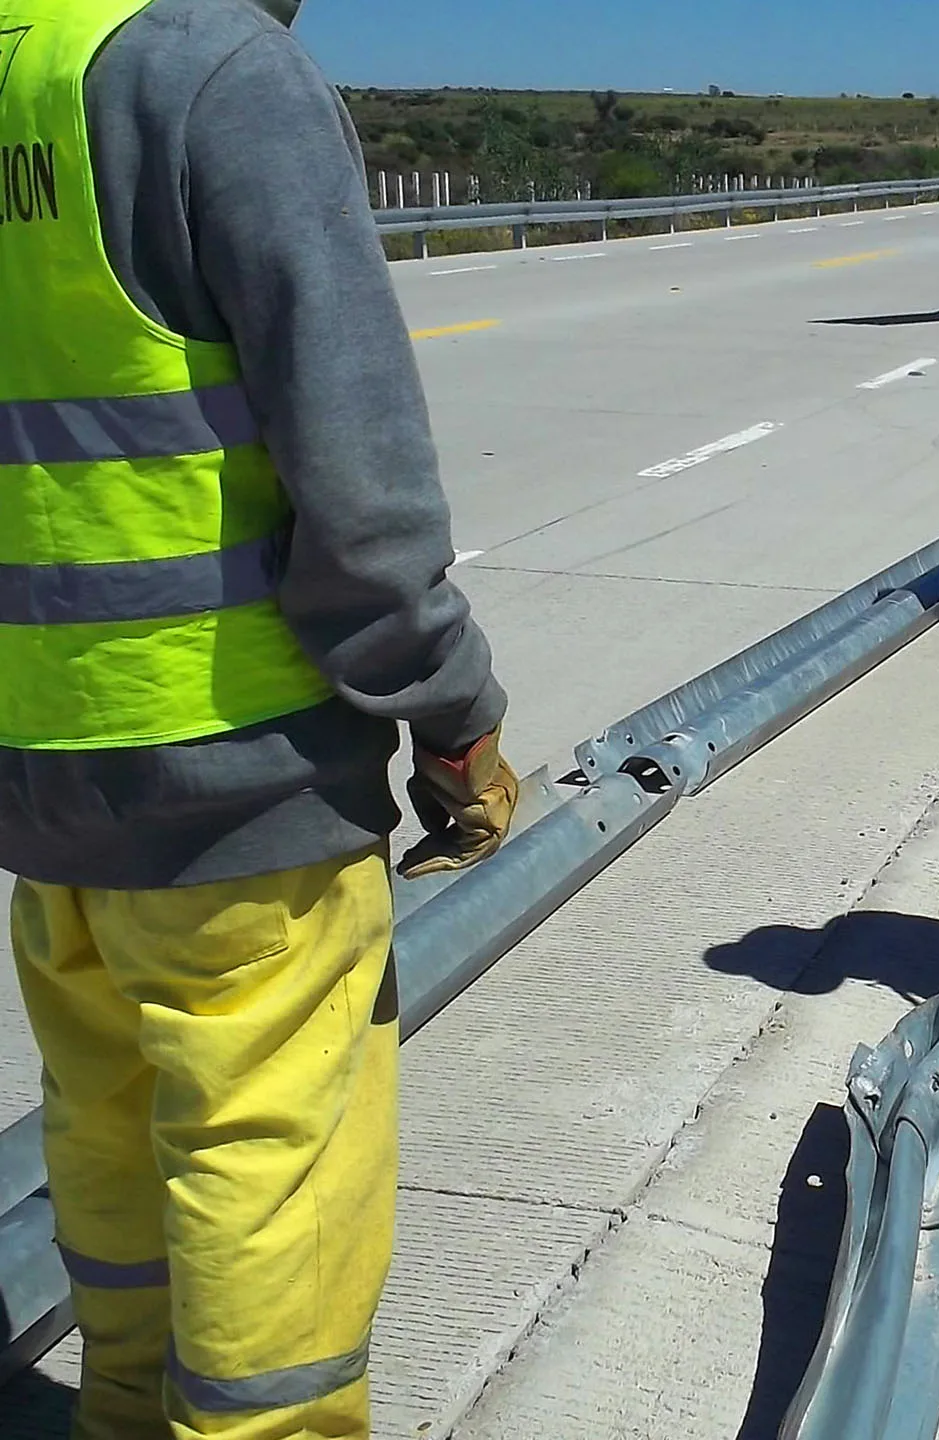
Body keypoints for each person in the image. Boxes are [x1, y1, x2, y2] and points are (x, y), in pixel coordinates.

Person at [0, 2, 518, 1435]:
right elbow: (357, 474)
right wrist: (452, 712)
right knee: (263, 1153)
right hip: (240, 762)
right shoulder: (213, 70)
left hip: (43, 753)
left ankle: (119, 1407)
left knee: (102, 1116)